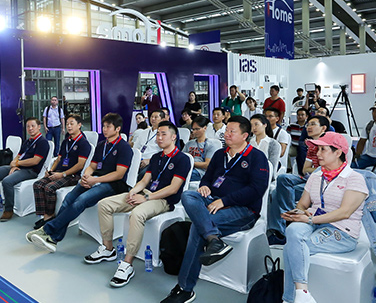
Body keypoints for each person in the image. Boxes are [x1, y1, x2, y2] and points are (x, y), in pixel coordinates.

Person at [161, 116, 269, 303]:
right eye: (226, 130)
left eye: (232, 131)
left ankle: (185, 288)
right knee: (188, 195)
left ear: (245, 135)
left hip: (243, 210)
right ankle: (214, 240)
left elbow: (257, 190)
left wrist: (224, 201)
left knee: (197, 228)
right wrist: (204, 186)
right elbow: (207, 177)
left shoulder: (257, 157)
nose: (226, 134)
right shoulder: (220, 154)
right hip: (212, 201)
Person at [85, 121, 190, 287]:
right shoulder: (156, 158)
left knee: (137, 214)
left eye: (163, 134)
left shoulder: (182, 159)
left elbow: (173, 188)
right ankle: (108, 248)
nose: (159, 137)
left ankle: (127, 263)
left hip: (164, 200)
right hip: (145, 193)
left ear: (173, 137)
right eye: (158, 134)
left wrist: (147, 198)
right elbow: (144, 180)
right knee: (105, 204)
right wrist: (133, 191)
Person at [281, 132, 368, 303]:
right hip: (314, 223)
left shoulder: (354, 179)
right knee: (293, 231)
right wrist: (298, 212)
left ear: (338, 152)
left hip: (341, 231)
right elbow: (303, 204)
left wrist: (310, 220)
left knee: (292, 248)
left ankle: (292, 298)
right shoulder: (316, 176)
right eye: (317, 149)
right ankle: (301, 294)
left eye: (323, 149)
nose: (318, 154)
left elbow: (344, 212)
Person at [27, 113, 132, 253]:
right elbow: (92, 166)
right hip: (94, 179)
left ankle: (47, 230)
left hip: (114, 185)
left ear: (117, 129)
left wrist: (95, 180)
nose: (104, 129)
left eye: (108, 126)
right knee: (68, 198)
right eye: (103, 126)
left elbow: (119, 174)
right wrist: (86, 176)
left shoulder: (124, 148)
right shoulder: (102, 145)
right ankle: (53, 239)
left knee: (81, 200)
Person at [268, 116, 330, 246]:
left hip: (323, 184)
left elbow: (329, 169)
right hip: (307, 179)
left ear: (323, 128)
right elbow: (305, 169)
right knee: (282, 180)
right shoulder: (311, 146)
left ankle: (282, 228)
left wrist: (317, 170)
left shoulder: (330, 145)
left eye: (313, 124)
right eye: (308, 124)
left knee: (277, 192)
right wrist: (318, 169)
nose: (309, 127)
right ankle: (285, 221)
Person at [0, 117, 50, 221]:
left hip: (30, 171)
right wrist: (14, 164)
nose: (30, 128)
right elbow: (19, 155)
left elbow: (35, 161)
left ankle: (9, 210)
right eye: (28, 126)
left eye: (33, 126)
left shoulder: (42, 142)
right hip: (19, 167)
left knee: (7, 181)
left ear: (39, 127)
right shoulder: (28, 141)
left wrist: (17, 163)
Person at [32, 114, 91, 229]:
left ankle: (50, 216)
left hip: (72, 175)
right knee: (38, 184)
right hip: (59, 172)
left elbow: (80, 165)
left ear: (79, 125)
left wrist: (63, 174)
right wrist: (51, 170)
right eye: (67, 124)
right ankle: (45, 216)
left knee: (49, 187)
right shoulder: (66, 141)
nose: (69, 126)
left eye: (71, 124)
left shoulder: (83, 143)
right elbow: (58, 159)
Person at [183, 115, 221, 181]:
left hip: (200, 172)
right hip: (188, 169)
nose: (194, 132)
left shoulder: (211, 144)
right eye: (193, 129)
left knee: (182, 175)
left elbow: (207, 164)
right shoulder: (189, 143)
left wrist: (190, 163)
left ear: (205, 128)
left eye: (197, 129)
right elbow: (182, 158)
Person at [132, 110, 165, 178]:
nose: (153, 119)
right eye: (152, 117)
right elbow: (135, 147)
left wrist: (149, 160)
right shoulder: (144, 132)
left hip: (152, 161)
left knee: (143, 174)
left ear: (162, 120)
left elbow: (164, 153)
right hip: (138, 160)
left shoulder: (164, 134)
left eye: (156, 117)